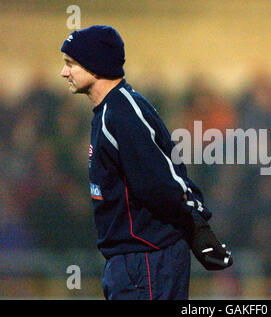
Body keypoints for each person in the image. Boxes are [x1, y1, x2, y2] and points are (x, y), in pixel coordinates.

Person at [60, 25, 232, 300]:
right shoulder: (110, 111)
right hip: (132, 260)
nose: (64, 72)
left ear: (95, 66)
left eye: (71, 64)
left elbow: (161, 179)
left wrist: (197, 224)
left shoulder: (123, 112)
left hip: (146, 261)